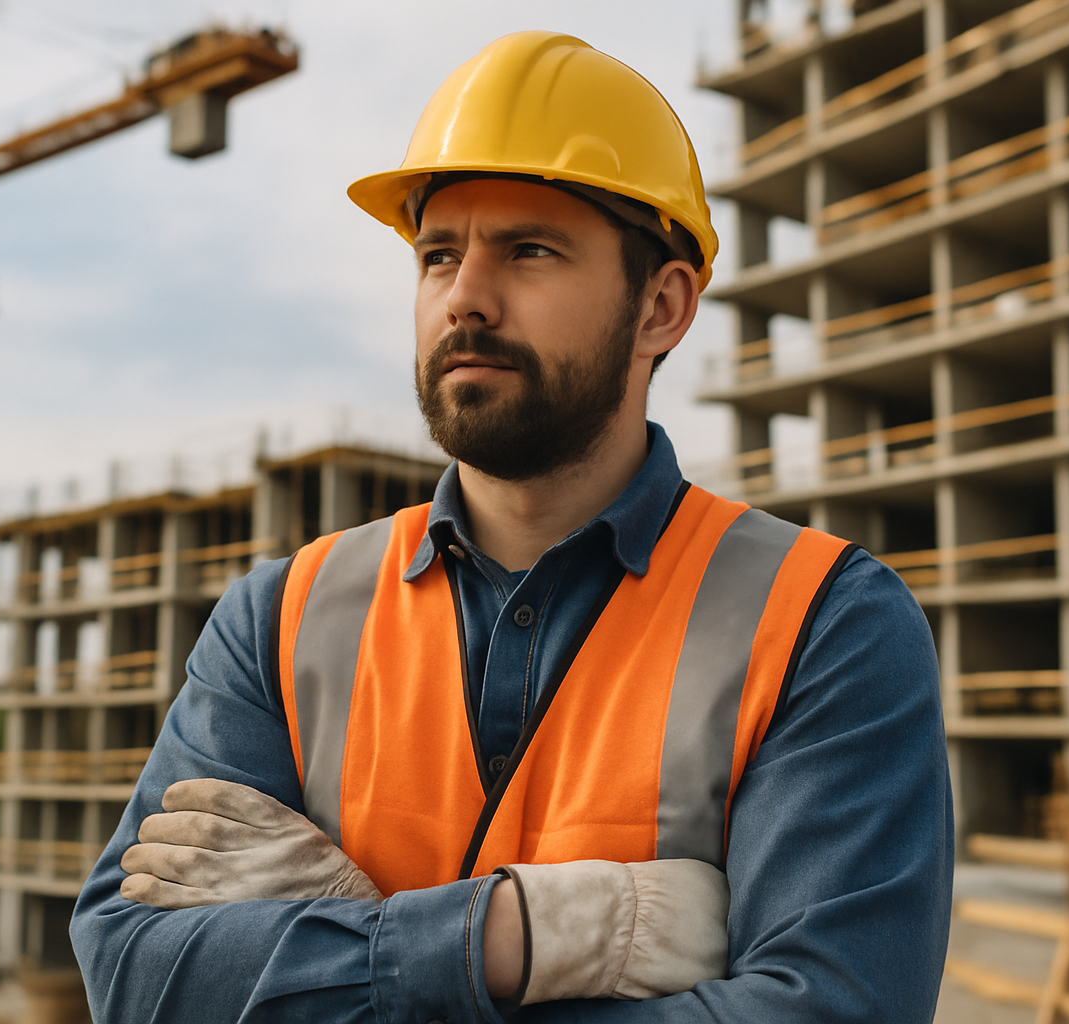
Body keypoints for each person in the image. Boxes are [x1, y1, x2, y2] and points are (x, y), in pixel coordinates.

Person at [71, 29, 952, 1022]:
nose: (466, 298)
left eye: (529, 251)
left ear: (661, 307)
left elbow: (832, 1009)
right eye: (437, 253)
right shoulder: (279, 619)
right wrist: (523, 934)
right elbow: (136, 977)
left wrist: (334, 955)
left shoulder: (822, 622)